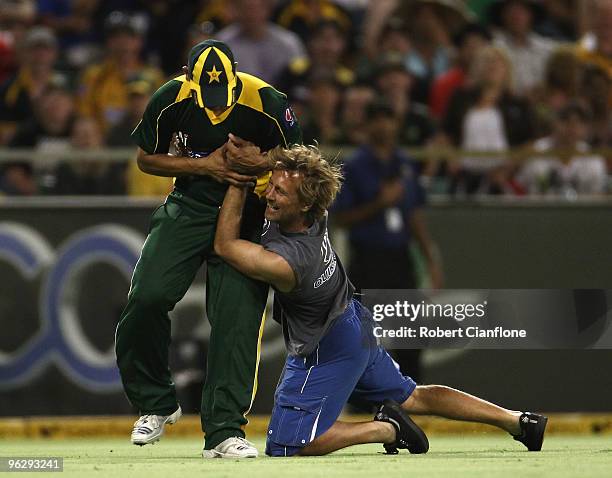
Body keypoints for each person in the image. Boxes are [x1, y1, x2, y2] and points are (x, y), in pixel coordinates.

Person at [213, 143, 548, 457]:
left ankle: (385, 429)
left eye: (279, 192)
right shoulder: (315, 211)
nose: (269, 194)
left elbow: (225, 246)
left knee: (286, 445)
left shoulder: (290, 262)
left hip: (328, 344)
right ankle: (518, 421)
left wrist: (237, 178)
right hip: (353, 322)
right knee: (412, 396)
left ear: (303, 205)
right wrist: (267, 163)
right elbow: (294, 171)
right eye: (270, 185)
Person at [114, 39, 302, 459]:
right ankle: (155, 402)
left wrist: (261, 163)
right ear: (188, 77)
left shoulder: (266, 99)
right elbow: (148, 158)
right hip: (191, 202)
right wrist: (205, 165)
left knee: (237, 318)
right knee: (146, 296)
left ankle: (223, 432)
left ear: (237, 76)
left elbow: (301, 155)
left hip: (248, 212)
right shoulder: (170, 97)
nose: (217, 106)